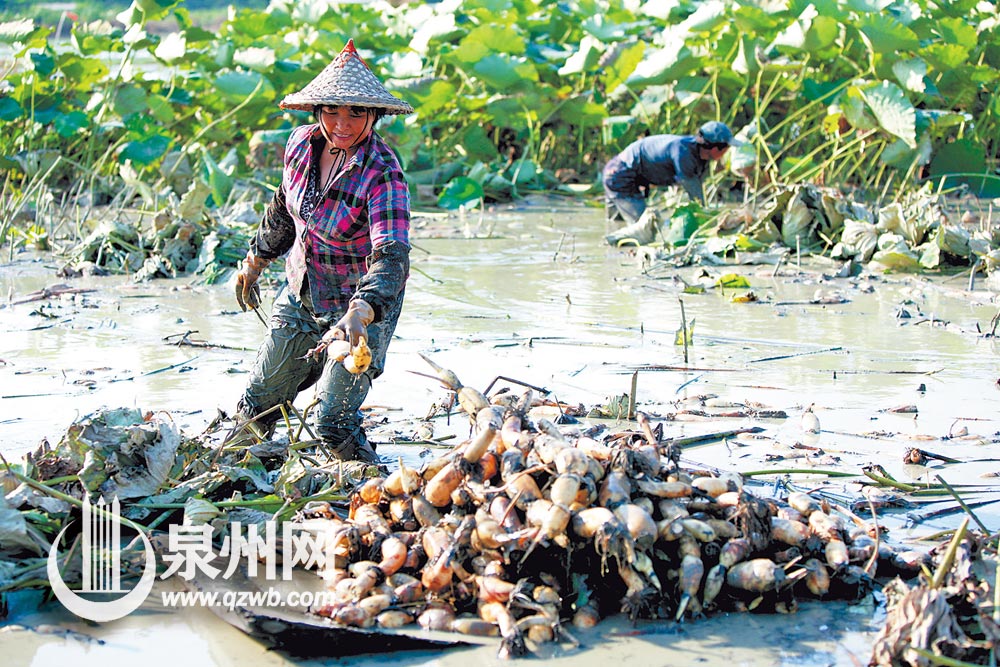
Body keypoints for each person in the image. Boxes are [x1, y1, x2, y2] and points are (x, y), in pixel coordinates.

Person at [229, 39, 414, 464]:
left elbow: (392, 255)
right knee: (258, 404)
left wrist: (363, 310)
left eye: (355, 112)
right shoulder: (299, 145)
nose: (342, 123)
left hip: (360, 305)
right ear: (317, 111)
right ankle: (242, 475)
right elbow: (282, 209)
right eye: (331, 110)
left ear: (374, 115)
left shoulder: (384, 172)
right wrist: (253, 264)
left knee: (333, 421)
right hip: (301, 292)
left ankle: (369, 485)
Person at [602, 120, 743, 225]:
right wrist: (710, 221)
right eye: (727, 148)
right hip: (620, 175)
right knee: (642, 228)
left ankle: (615, 257)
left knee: (617, 225)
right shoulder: (683, 152)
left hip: (622, 173)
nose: (727, 152)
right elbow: (696, 197)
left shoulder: (700, 156)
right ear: (715, 148)